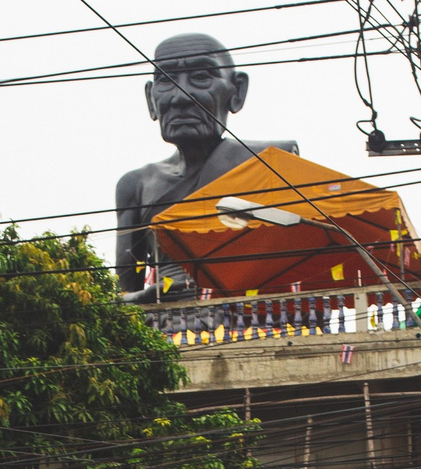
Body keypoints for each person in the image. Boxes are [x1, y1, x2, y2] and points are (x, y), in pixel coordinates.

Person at [112, 33, 299, 296]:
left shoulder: (270, 163)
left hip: (254, 320)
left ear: (237, 91)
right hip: (165, 326)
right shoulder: (137, 185)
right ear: (150, 98)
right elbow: (120, 300)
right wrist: (147, 297)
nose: (181, 97)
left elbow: (297, 259)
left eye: (201, 77)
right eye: (166, 80)